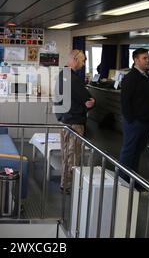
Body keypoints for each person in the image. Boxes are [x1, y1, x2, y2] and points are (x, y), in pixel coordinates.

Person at [55, 49, 96, 193]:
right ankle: (69, 186)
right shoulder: (73, 79)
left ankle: (64, 183)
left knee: (66, 154)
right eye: (83, 60)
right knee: (73, 156)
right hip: (74, 122)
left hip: (64, 121)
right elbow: (88, 101)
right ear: (74, 59)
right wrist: (91, 101)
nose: (84, 63)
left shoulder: (62, 75)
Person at [120, 48, 149, 181]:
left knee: (137, 153)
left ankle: (133, 179)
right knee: (129, 152)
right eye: (144, 58)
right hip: (134, 122)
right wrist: (130, 120)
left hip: (145, 121)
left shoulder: (146, 76)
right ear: (136, 60)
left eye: (148, 57)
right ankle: (122, 180)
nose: (148, 60)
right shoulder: (130, 78)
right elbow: (125, 101)